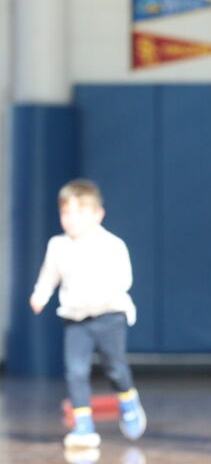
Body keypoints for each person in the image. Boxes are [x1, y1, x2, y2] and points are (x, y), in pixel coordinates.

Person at [29, 179, 146, 448]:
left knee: (115, 367)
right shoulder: (57, 245)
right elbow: (49, 275)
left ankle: (128, 402)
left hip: (109, 315)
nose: (71, 220)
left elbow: (123, 278)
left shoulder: (111, 244)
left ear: (98, 214)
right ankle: (83, 427)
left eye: (80, 212)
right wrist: (40, 294)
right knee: (76, 371)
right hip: (76, 319)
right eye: (65, 213)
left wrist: (104, 292)